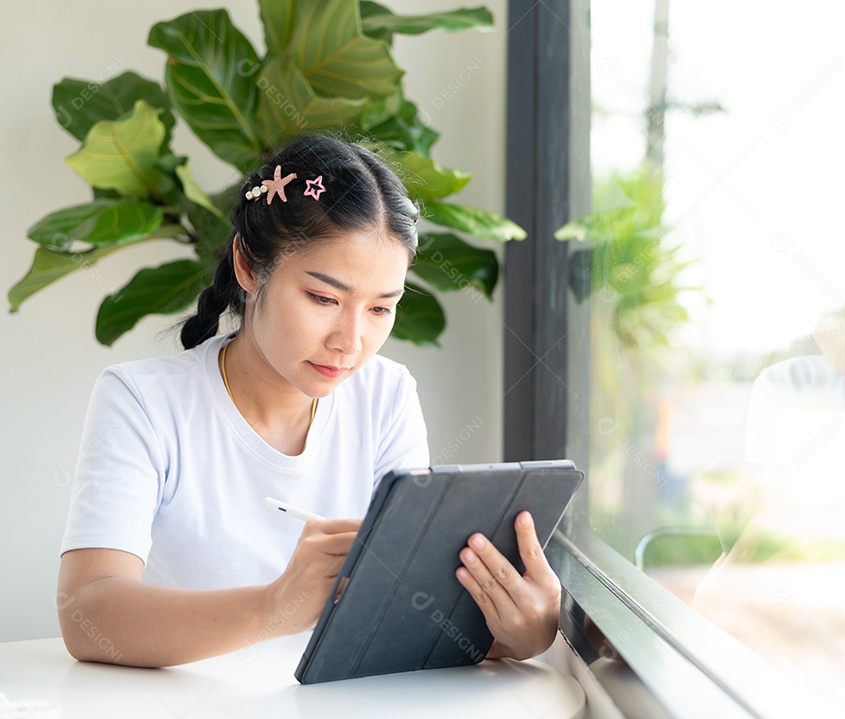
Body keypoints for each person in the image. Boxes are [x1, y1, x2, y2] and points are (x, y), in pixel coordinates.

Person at [57, 134, 561, 668]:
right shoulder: (143, 402)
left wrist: (520, 633)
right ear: (249, 266)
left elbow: (414, 610)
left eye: (380, 309)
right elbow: (88, 613)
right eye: (323, 298)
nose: (350, 340)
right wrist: (274, 608)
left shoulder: (385, 397)